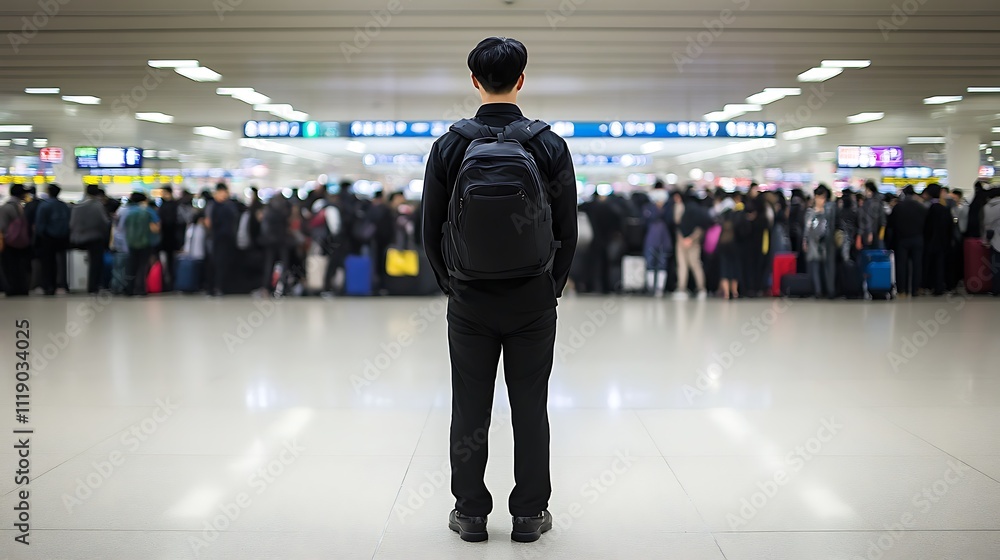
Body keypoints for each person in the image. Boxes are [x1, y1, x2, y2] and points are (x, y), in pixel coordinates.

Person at [421, 37, 577, 544]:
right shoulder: (548, 145)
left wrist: (454, 284)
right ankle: (530, 514)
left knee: (470, 406)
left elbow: (429, 229)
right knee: (530, 406)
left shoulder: (450, 145)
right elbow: (567, 229)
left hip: (470, 299)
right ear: (522, 79)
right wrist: (549, 288)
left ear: (473, 81)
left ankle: (469, 513)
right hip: (532, 297)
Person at [70, 184, 112, 294]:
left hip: (79, 238)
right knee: (96, 263)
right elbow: (105, 222)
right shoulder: (97, 205)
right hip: (95, 238)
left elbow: (72, 223)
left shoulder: (78, 206)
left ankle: (86, 286)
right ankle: (94, 286)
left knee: (88, 262)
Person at [888, 185, 928, 298]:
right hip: (918, 238)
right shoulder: (921, 207)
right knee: (917, 265)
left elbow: (891, 224)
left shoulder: (898, 207)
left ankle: (902, 290)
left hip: (902, 240)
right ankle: (915, 290)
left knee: (901, 265)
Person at [34, 184, 72, 295]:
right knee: (61, 263)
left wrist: (40, 236)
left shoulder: (44, 206)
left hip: (47, 238)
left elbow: (40, 223)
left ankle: (48, 285)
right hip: (62, 238)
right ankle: (60, 284)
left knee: (47, 263)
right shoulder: (63, 206)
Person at [122, 192, 160, 297]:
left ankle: (129, 289)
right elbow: (155, 229)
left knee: (131, 266)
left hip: (130, 243)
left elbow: (121, 228)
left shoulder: (127, 211)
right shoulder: (148, 211)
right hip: (145, 243)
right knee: (142, 266)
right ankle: (141, 289)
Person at [672, 190, 708, 300]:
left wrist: (684, 239)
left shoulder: (682, 207)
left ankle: (681, 289)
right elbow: (702, 227)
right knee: (696, 264)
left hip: (681, 240)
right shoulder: (700, 210)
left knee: (682, 265)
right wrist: (692, 238)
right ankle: (701, 289)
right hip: (694, 241)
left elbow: (677, 222)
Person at [205, 183, 239, 296]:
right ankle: (214, 287)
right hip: (216, 239)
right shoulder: (213, 205)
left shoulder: (229, 205)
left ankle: (219, 287)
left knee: (222, 263)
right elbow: (208, 222)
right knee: (215, 263)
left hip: (226, 239)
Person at [0, 184, 33, 296]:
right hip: (22, 242)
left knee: (10, 266)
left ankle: (12, 289)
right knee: (21, 266)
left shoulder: (6, 207)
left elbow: (2, 226)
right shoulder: (21, 207)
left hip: (9, 242)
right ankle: (22, 288)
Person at [803, 185, 834, 298]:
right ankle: (818, 291)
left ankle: (827, 289)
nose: (822, 200)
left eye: (823, 198)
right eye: (820, 197)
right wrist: (805, 240)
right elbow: (807, 228)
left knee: (825, 267)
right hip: (813, 242)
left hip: (826, 243)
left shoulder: (828, 212)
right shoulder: (810, 212)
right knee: (815, 266)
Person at [922, 183, 953, 296]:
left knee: (931, 265)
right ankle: (939, 286)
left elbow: (927, 227)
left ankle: (931, 286)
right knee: (940, 265)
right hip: (943, 241)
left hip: (931, 241)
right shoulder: (944, 208)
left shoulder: (929, 209)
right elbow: (950, 226)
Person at [642, 187, 672, 297]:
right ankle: (650, 286)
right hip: (652, 240)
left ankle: (660, 287)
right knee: (650, 263)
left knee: (662, 263)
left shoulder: (667, 210)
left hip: (663, 241)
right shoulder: (649, 209)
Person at [157, 185, 180, 291]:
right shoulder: (169, 205)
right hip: (167, 238)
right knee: (166, 262)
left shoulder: (171, 205)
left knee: (170, 262)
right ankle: (166, 283)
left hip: (169, 237)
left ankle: (170, 283)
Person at [983, 188, 1000, 295]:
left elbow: (987, 225)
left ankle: (996, 289)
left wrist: (986, 240)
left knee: (996, 267)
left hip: (995, 240)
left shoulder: (987, 207)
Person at [859, 180, 885, 250]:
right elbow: (883, 220)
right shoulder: (879, 201)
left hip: (869, 234)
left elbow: (868, 219)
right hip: (878, 233)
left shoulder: (870, 202)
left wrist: (869, 233)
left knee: (868, 254)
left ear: (869, 190)